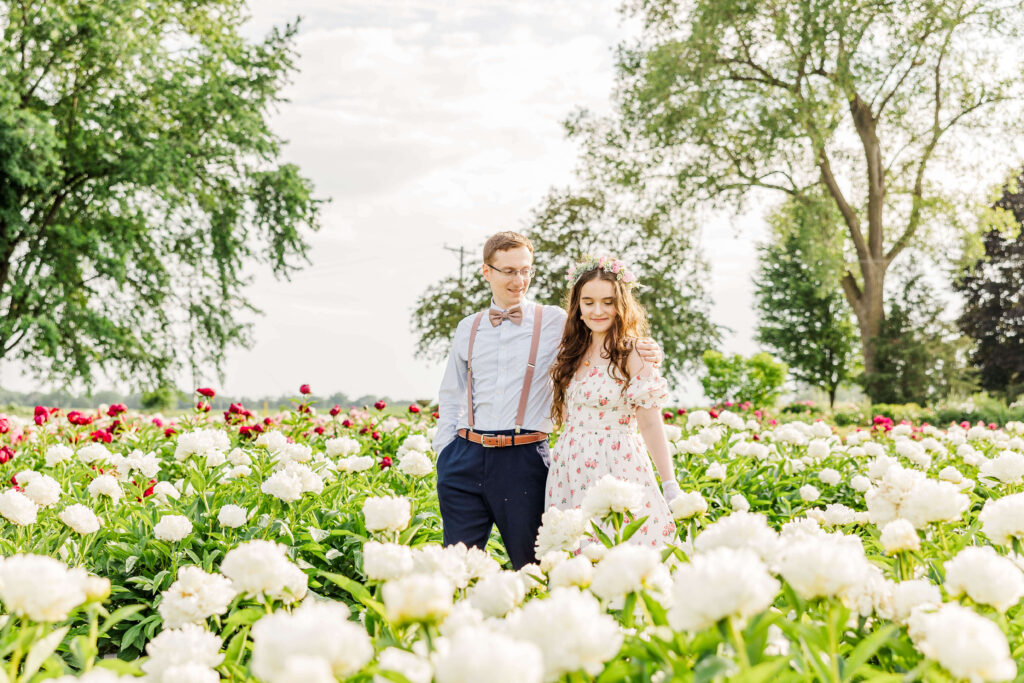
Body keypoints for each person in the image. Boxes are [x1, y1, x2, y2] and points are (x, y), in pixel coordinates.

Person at [431, 232, 662, 569]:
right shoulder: (469, 327)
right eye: (508, 270)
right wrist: (444, 453)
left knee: (535, 566)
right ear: (487, 272)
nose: (519, 279)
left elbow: (602, 325)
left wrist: (645, 348)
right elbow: (451, 392)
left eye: (526, 270)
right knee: (455, 568)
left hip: (522, 459)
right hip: (463, 458)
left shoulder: (555, 321)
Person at [546, 254, 681, 548]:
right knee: (576, 556)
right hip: (569, 469)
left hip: (616, 465)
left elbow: (650, 421)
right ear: (577, 306)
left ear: (621, 305)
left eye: (608, 302)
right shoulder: (569, 353)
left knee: (622, 550)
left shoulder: (633, 353)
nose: (598, 310)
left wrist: (669, 484)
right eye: (588, 302)